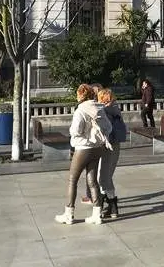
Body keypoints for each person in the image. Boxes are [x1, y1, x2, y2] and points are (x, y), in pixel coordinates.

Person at [55, 84, 113, 226]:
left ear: (81, 95)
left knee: (72, 180)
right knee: (92, 181)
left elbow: (75, 131)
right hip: (97, 147)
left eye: (78, 93)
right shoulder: (99, 108)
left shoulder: (80, 110)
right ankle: (96, 214)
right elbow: (109, 127)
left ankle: (69, 214)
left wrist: (75, 132)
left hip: (83, 148)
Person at [97, 88, 126, 219]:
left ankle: (110, 205)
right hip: (116, 145)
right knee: (106, 176)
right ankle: (109, 204)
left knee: (103, 177)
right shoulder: (115, 108)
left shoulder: (104, 111)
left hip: (107, 146)